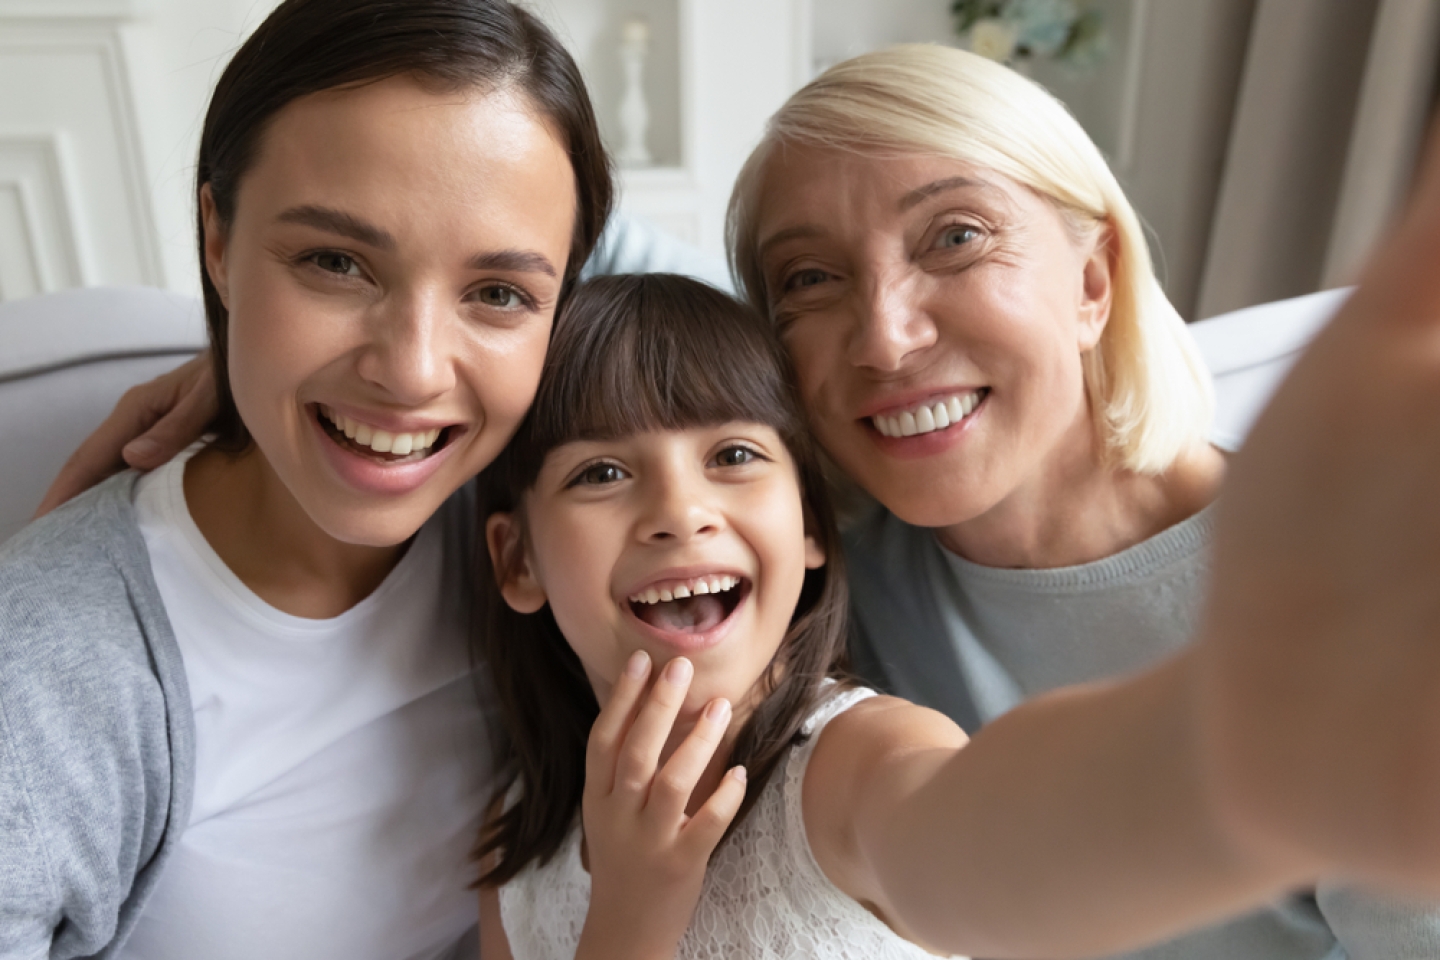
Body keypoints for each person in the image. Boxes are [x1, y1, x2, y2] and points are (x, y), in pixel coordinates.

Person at [722, 44, 1440, 957]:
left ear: (1093, 283)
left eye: (956, 236)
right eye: (810, 279)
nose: (885, 339)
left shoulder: (1338, 577)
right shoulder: (813, 595)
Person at [468, 272, 1394, 960]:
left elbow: (1008, 848)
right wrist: (630, 910)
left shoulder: (852, 770)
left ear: (813, 528)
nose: (682, 511)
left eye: (736, 455)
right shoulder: (515, 844)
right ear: (516, 559)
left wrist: (1274, 749)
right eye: (601, 473)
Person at [0, 1, 617, 956]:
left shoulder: (555, 525)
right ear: (217, 241)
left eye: (496, 293)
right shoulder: (45, 678)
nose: (412, 371)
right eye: (335, 262)